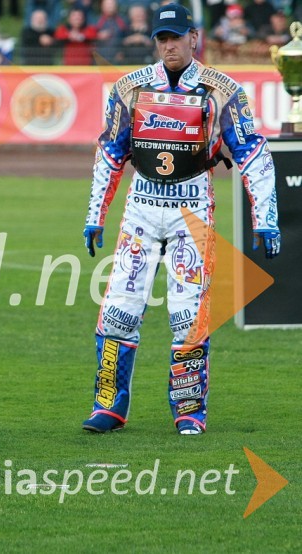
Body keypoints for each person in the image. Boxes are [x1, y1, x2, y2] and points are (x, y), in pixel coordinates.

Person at [81, 4, 281, 436]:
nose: (168, 45)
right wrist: (94, 214)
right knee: (119, 308)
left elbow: (251, 152)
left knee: (187, 313)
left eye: (175, 37)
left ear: (194, 37)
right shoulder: (129, 87)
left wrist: (266, 218)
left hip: (193, 208)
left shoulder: (222, 89)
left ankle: (190, 410)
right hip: (141, 207)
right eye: (161, 38)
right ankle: (108, 405)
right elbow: (111, 151)